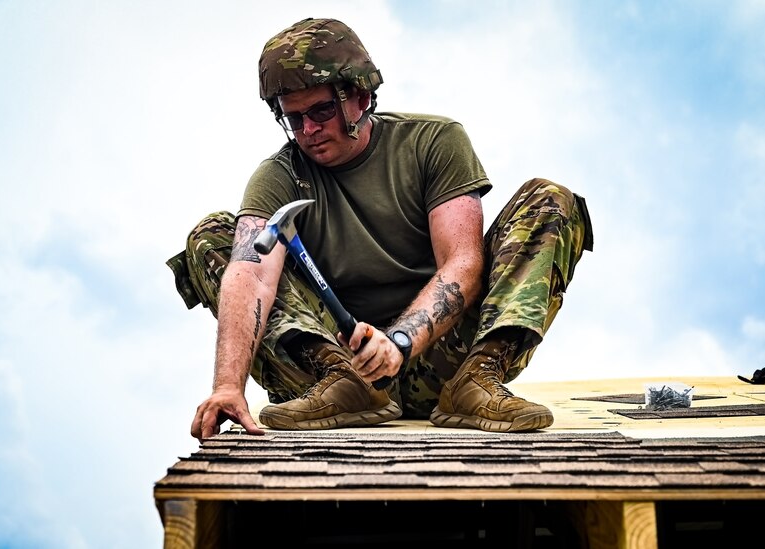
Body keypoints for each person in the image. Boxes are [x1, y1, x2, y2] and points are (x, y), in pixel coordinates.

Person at [167, 17, 593, 441]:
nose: (308, 131)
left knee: (549, 198)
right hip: (333, 376)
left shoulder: (434, 142)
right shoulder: (279, 176)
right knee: (214, 236)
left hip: (446, 360)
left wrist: (398, 342)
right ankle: (345, 384)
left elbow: (462, 263)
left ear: (361, 96)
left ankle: (480, 378)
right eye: (293, 119)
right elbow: (252, 274)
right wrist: (227, 386)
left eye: (321, 111)